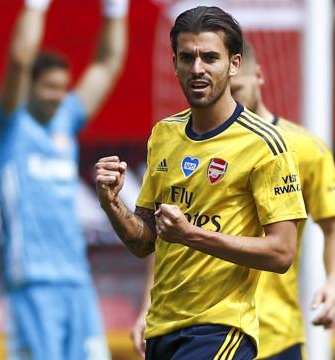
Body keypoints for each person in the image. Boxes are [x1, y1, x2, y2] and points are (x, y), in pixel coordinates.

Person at [95, 6, 306, 359]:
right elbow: (144, 241)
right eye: (187, 57)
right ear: (174, 62)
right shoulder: (164, 134)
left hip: (221, 328)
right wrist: (111, 203)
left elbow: (282, 252)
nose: (197, 69)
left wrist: (191, 234)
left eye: (210, 57)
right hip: (163, 327)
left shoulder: (265, 145)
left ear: (234, 64)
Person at [130, 39, 335, 359]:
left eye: (235, 90)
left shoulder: (300, 148)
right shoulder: (182, 141)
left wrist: (333, 285)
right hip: (200, 326)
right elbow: (168, 235)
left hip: (272, 332)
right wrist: (146, 308)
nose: (225, 98)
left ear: (257, 76)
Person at [0, 0, 128, 358]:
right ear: (29, 86)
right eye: (49, 87)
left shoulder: (66, 119)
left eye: (63, 88)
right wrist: (36, 6)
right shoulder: (7, 130)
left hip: (77, 280)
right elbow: (19, 59)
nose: (58, 96)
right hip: (31, 284)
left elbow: (107, 65)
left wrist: (115, 10)